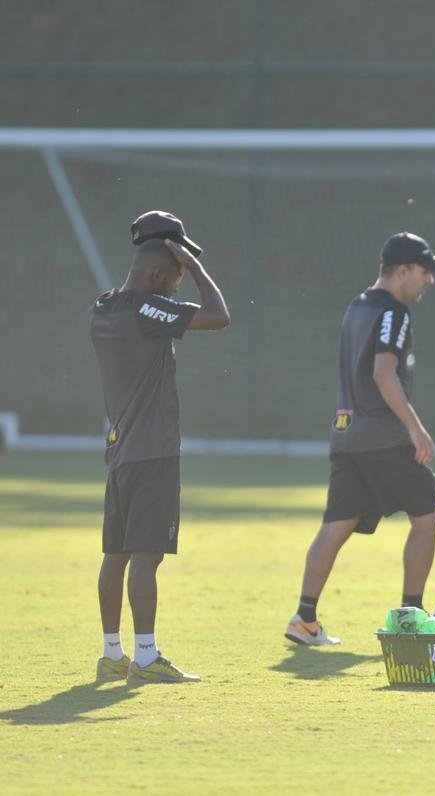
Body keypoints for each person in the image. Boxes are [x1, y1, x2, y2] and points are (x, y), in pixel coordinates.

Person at [285, 232, 435, 646]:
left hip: (345, 434)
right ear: (402, 272)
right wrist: (415, 427)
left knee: (337, 524)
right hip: (383, 435)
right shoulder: (395, 312)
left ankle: (304, 619)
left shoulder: (356, 306)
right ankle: (412, 616)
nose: (429, 280)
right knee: (428, 518)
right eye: (424, 272)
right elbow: (382, 373)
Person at [90, 211, 230, 684]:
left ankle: (113, 654)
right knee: (147, 555)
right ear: (156, 273)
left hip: (121, 448)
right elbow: (219, 317)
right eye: (176, 276)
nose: (178, 283)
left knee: (116, 555)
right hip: (154, 450)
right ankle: (146, 659)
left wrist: (180, 263)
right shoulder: (148, 309)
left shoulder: (105, 306)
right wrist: (199, 270)